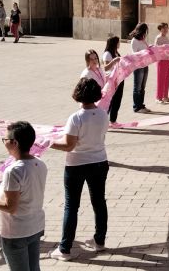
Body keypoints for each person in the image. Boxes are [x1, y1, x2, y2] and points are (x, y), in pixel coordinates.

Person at [49, 78, 110, 261]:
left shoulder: (76, 117)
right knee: (99, 202)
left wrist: (48, 143)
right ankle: (99, 241)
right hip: (99, 161)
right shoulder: (103, 114)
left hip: (77, 163)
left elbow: (68, 145)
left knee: (71, 206)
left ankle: (65, 248)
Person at [0, 122, 47, 271]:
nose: (4, 142)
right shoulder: (39, 163)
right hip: (35, 226)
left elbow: (10, 207)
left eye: (4, 139)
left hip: (16, 232)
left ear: (15, 142)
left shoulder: (13, 171)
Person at [130, 23, 151, 113]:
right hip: (138, 67)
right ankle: (137, 107)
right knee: (137, 88)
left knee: (142, 87)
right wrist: (145, 53)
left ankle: (141, 105)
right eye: (145, 31)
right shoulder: (134, 41)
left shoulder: (143, 40)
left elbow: (147, 49)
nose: (145, 33)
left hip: (145, 65)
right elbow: (135, 54)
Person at [103, 36, 123, 126]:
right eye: (118, 42)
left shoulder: (116, 52)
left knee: (117, 100)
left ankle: (113, 120)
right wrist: (114, 61)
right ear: (114, 43)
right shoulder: (107, 54)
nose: (119, 44)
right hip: (112, 80)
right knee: (110, 100)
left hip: (119, 79)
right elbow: (106, 67)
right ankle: (104, 120)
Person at [155, 23, 169, 104]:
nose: (166, 30)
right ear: (161, 29)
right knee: (161, 80)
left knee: (167, 79)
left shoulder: (166, 37)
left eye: (167, 28)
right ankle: (158, 97)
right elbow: (157, 50)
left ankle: (165, 96)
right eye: (164, 28)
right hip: (162, 61)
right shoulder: (158, 38)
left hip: (168, 61)